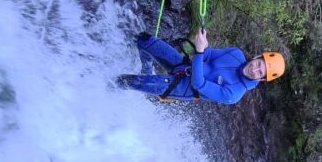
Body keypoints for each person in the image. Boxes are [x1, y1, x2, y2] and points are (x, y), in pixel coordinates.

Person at [114, 29, 285, 105]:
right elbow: (209, 54)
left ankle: (103, 88)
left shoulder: (233, 94)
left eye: (259, 73)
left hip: (181, 88)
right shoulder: (235, 53)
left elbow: (199, 84)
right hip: (184, 65)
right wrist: (201, 49)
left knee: (128, 81)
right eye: (258, 64)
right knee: (144, 39)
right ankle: (146, 68)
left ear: (261, 79)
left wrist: (199, 50)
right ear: (256, 57)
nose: (254, 70)